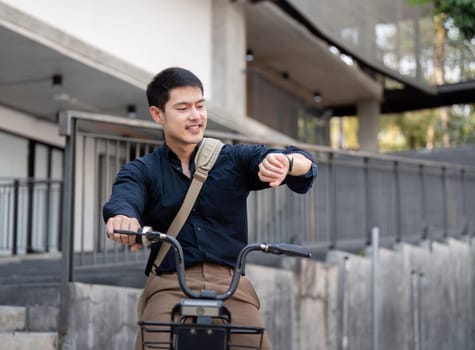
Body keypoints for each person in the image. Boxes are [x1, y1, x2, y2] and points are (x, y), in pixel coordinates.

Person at [103, 67, 317, 350]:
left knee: (255, 341)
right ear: (158, 114)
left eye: (200, 106)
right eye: (183, 108)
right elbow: (124, 199)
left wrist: (287, 164)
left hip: (231, 285)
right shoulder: (143, 169)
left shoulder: (233, 158)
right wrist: (124, 220)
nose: (195, 115)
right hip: (169, 283)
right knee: (153, 339)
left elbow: (303, 162)